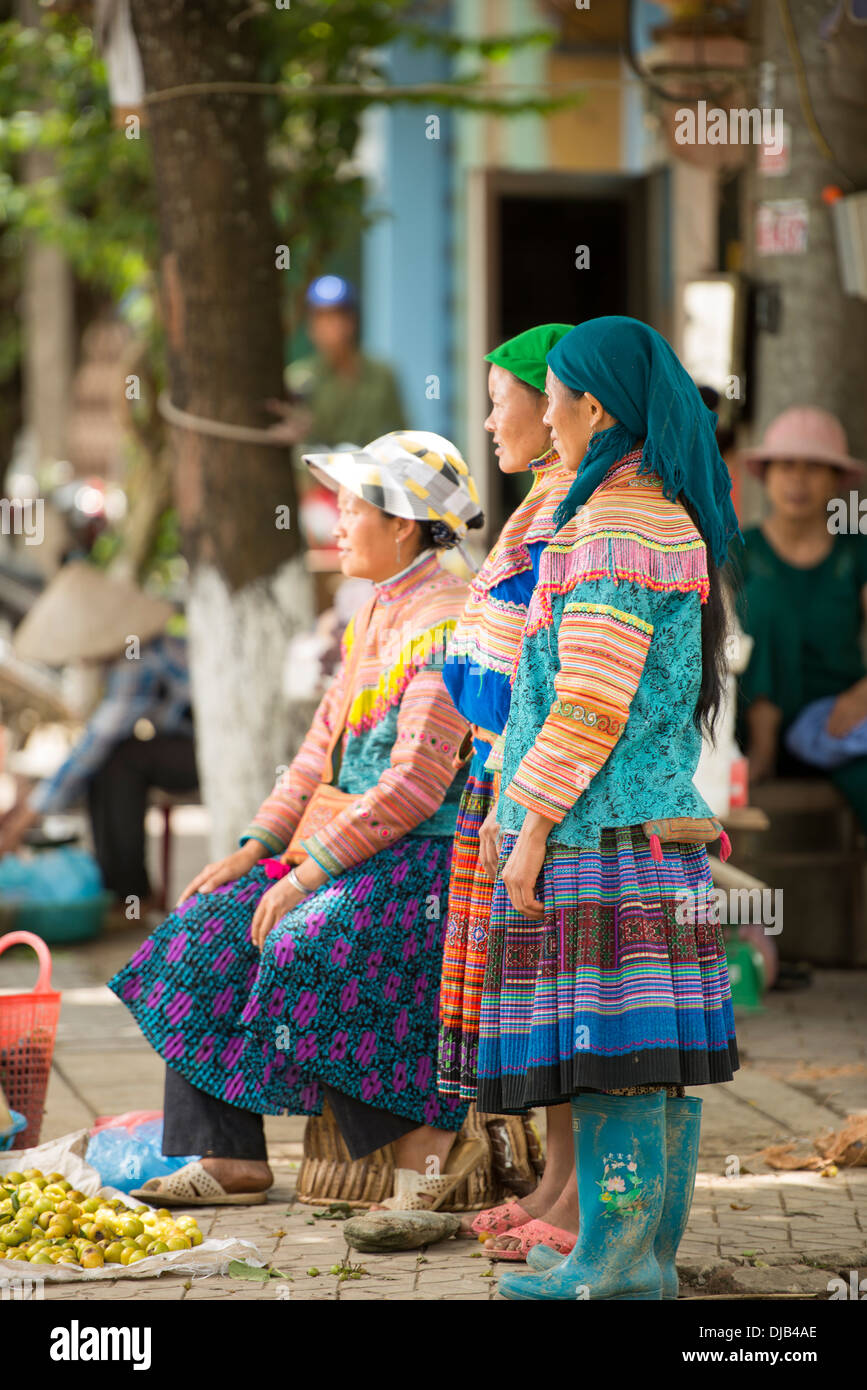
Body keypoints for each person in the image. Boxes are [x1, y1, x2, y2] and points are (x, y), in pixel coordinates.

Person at [108, 432, 487, 1209]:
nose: (336, 523)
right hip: (346, 850)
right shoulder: (374, 614)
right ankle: (229, 1157)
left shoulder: (449, 622)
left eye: (351, 508)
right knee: (201, 930)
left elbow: (414, 786)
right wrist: (256, 847)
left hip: (422, 861)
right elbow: (314, 755)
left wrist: (307, 873)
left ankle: (421, 1143)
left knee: (304, 940)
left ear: (405, 524)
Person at [476, 317, 741, 1300]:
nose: (542, 412)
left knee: (614, 1062)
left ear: (594, 407)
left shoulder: (615, 527)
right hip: (653, 838)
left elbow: (588, 704)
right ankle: (636, 1260)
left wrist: (530, 826)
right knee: (646, 1061)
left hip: (601, 838)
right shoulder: (657, 514)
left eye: (553, 395)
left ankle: (614, 1269)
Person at [435, 323, 581, 1250]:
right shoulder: (541, 502)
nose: (489, 421)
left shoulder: (577, 512)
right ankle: (558, 1187)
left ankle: (574, 1204)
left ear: (557, 401)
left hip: (540, 785)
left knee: (569, 1008)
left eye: (500, 400)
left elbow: (556, 673)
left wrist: (524, 797)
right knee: (541, 1003)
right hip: (504, 774)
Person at [0, 562, 197, 904]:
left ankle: (129, 892)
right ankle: (115, 885)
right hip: (187, 744)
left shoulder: (139, 658)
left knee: (122, 759)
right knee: (113, 760)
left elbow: (95, 744)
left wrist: (27, 816)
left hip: (207, 753)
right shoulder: (131, 655)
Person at [729, 407, 867, 829]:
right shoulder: (741, 551)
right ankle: (765, 741)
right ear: (766, 475)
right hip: (751, 728)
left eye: (814, 469)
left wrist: (861, 696)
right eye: (786, 466)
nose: (798, 481)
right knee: (764, 599)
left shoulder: (855, 553)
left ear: (837, 481)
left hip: (834, 721)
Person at [288, 276, 407, 450]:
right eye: (321, 317)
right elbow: (294, 443)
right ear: (311, 325)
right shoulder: (298, 377)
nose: (331, 326)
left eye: (338, 316)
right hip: (315, 474)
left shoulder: (382, 374)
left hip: (371, 473)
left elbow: (403, 436)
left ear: (352, 321)